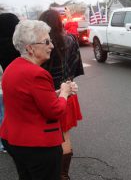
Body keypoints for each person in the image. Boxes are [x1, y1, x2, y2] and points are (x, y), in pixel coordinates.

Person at [0, 20, 77, 180]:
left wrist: (59, 92)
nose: (52, 46)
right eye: (46, 42)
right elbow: (55, 111)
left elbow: (28, 98)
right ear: (30, 48)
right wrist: (64, 92)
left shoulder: (13, 67)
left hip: (13, 139)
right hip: (38, 146)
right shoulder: (37, 74)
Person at [39, 9, 84, 180]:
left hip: (48, 93)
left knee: (49, 133)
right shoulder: (71, 39)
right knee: (65, 133)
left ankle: (57, 173)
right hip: (68, 91)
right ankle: (63, 174)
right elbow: (76, 64)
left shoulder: (43, 43)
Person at [0, 13, 20, 152]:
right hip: (15, 84)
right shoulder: (17, 44)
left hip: (3, 85)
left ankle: (4, 142)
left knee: (2, 113)